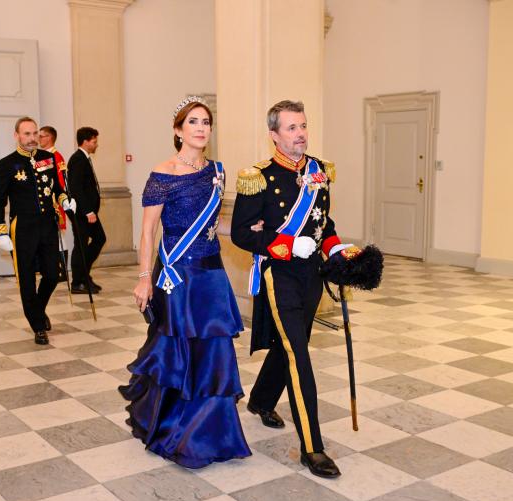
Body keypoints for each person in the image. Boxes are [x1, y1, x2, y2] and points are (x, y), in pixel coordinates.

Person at [118, 96, 251, 468]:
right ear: (178, 130)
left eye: (206, 122)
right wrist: (145, 278)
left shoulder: (218, 172)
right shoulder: (162, 174)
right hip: (177, 276)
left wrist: (251, 232)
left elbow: (215, 227)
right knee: (179, 354)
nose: (201, 128)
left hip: (211, 276)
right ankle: (176, 428)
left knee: (214, 355)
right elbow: (147, 233)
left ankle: (212, 431)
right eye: (193, 121)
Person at [231, 100, 355, 479]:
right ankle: (313, 447)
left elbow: (324, 221)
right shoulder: (258, 177)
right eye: (291, 128)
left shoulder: (319, 171)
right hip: (280, 273)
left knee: (293, 341)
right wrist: (283, 243)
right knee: (299, 356)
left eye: (303, 125)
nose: (300, 133)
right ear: (274, 135)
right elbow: (240, 233)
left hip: (311, 274)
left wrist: (335, 247)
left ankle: (262, 399)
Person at [0, 117, 76, 345]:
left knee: (52, 274)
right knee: (27, 279)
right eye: (26, 134)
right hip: (23, 229)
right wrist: (1, 232)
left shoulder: (47, 158)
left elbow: (57, 188)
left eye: (35, 133)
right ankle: (38, 326)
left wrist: (65, 200)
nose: (32, 138)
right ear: (17, 136)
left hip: (48, 225)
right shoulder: (6, 164)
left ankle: (37, 309)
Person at [67, 126, 106, 294]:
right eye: (94, 142)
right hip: (83, 213)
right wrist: (88, 211)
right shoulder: (77, 159)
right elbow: (76, 188)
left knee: (99, 239)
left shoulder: (84, 158)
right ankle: (78, 282)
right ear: (85, 141)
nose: (96, 145)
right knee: (81, 245)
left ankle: (84, 274)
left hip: (89, 212)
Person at [38, 125, 69, 282]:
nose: (38, 139)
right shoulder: (42, 156)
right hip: (45, 203)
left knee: (59, 237)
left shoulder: (56, 156)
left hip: (54, 203)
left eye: (41, 136)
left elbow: (60, 182)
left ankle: (61, 271)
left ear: (49, 138)